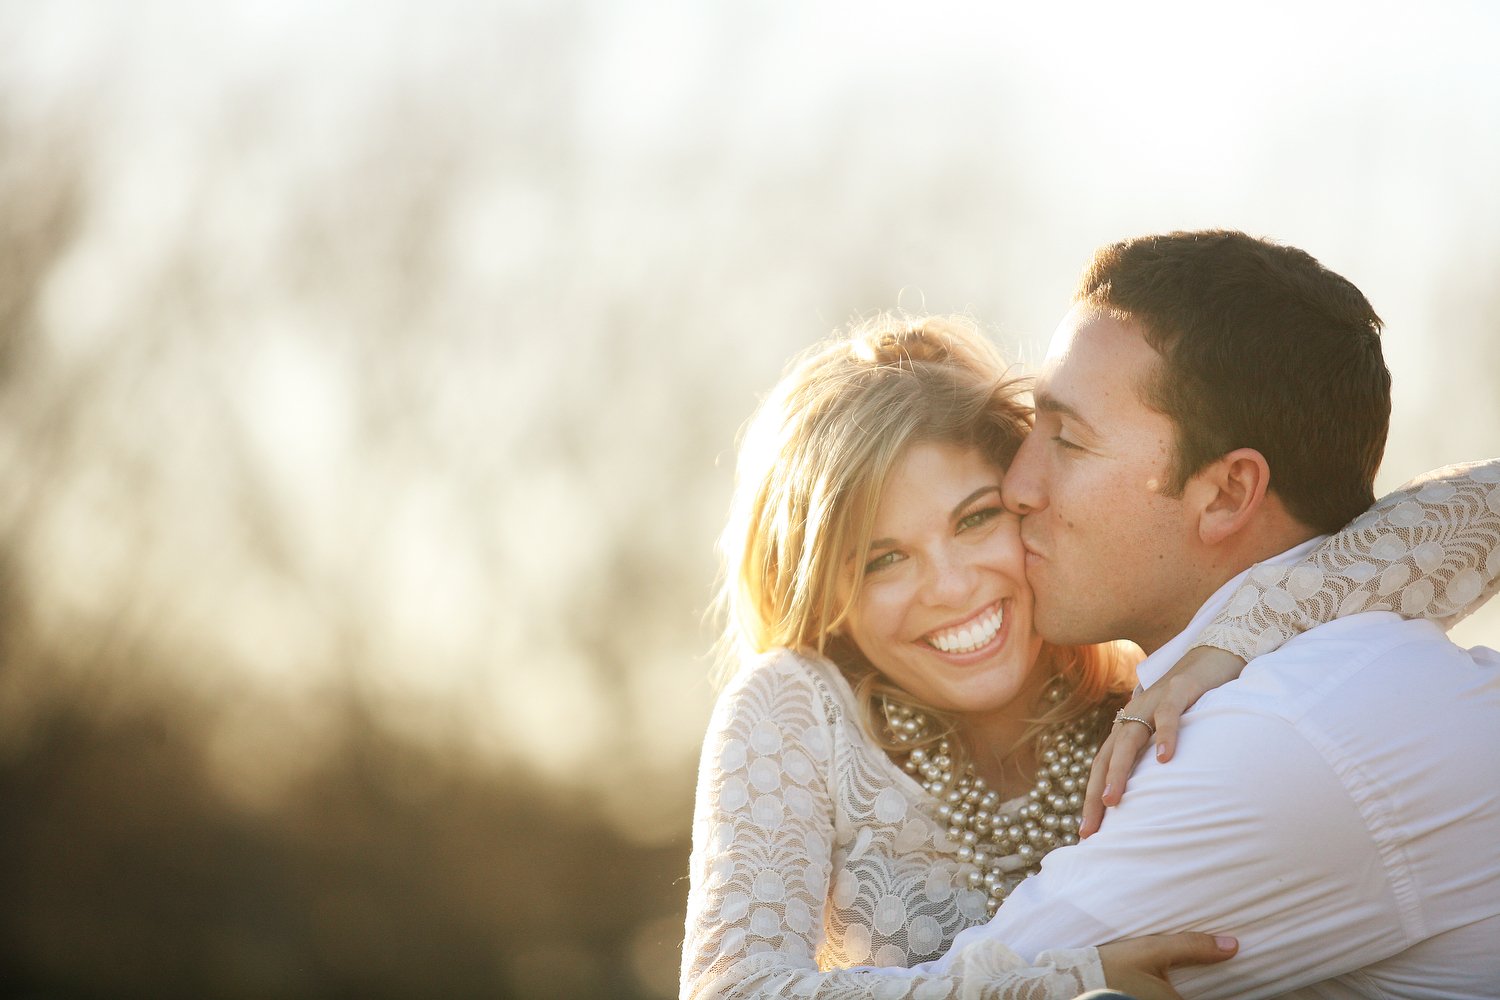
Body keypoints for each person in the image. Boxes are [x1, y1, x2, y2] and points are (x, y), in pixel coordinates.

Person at [679, 311, 1499, 999]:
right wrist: (1056, 985)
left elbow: (1486, 503)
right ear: (827, 592)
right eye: (882, 559)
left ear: (1031, 501)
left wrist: (1240, 633)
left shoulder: (1157, 708)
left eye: (976, 518)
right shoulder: (799, 709)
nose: (952, 586)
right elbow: (731, 992)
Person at [902, 230, 1500, 998]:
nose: (1016, 486)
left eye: (1068, 440)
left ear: (1226, 493)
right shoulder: (1353, 666)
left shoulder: (1268, 739)